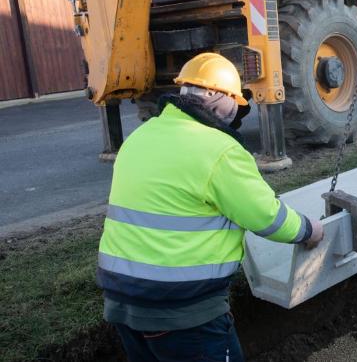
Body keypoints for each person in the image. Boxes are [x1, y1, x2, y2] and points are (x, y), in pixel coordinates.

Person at [96, 53, 324, 361]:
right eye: (235, 102)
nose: (236, 114)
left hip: (122, 306)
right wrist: (309, 230)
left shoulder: (141, 137)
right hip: (183, 313)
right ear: (217, 96)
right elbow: (266, 216)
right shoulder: (220, 149)